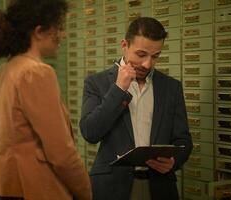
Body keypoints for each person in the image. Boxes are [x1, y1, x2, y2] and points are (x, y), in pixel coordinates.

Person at [0, 0, 92, 199]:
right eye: (59, 27)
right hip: (36, 188)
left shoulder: (6, 70)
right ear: (39, 31)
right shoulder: (36, 73)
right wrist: (86, 192)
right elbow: (61, 154)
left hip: (9, 187)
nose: (62, 35)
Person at [80, 17, 193, 200]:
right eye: (141, 55)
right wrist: (118, 89)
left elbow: (183, 140)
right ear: (124, 45)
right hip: (112, 187)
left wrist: (174, 161)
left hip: (160, 186)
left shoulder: (171, 87)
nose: (148, 64)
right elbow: (90, 132)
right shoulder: (96, 83)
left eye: (155, 56)